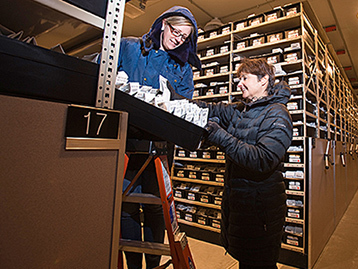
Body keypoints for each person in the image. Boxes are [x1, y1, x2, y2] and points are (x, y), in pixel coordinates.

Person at [117, 6, 201, 269]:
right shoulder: (129, 47)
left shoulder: (183, 68)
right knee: (126, 204)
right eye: (176, 32)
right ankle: (134, 264)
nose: (178, 39)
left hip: (161, 146)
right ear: (163, 24)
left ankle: (152, 263)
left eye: (185, 37)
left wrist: (171, 99)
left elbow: (183, 107)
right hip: (127, 141)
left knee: (155, 206)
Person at [200, 58, 293, 268]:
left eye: (244, 78)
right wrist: (173, 96)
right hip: (241, 205)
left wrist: (220, 136)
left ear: (264, 81)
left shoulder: (277, 113)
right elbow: (209, 108)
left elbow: (263, 159)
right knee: (248, 260)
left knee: (260, 263)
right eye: (238, 79)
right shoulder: (242, 110)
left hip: (261, 211)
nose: (238, 84)